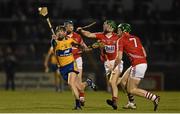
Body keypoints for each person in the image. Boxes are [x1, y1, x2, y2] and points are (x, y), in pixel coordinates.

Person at [110, 23, 160, 111]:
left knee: (132, 90)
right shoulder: (136, 38)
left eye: (119, 30)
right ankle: (131, 103)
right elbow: (144, 54)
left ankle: (154, 97)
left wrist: (113, 67)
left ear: (124, 30)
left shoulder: (120, 40)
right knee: (123, 81)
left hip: (138, 64)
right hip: (141, 63)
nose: (117, 31)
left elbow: (119, 57)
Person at [77, 20, 123, 110]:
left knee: (112, 83)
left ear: (111, 27)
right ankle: (126, 87)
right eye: (104, 25)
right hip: (107, 63)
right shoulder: (101, 35)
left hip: (116, 61)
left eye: (106, 25)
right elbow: (89, 34)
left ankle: (115, 101)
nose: (104, 26)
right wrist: (81, 31)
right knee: (113, 83)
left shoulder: (117, 37)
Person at [51, 25, 96, 110]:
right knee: (78, 86)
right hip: (62, 68)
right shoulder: (55, 42)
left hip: (72, 65)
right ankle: (88, 82)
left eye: (61, 31)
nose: (59, 33)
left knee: (71, 83)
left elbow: (81, 46)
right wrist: (53, 39)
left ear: (65, 33)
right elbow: (53, 43)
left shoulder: (70, 40)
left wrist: (89, 47)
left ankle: (78, 104)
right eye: (58, 31)